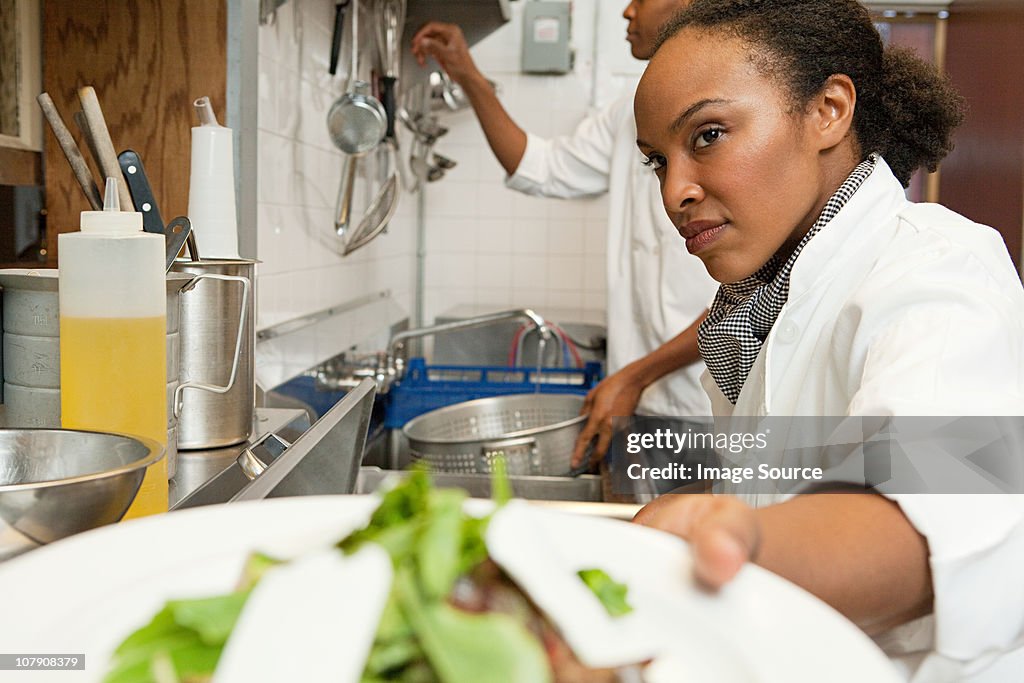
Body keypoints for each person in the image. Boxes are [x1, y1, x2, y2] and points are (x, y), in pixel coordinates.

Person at [630, 0, 1024, 679]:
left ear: (828, 110)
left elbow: (922, 526)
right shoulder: (763, 303)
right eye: (655, 162)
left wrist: (724, 539)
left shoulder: (937, 266)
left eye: (707, 135)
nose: (674, 192)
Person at [410, 2, 719, 479]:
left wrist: (635, 376)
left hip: (711, 410)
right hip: (636, 405)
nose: (626, 11)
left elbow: (753, 295)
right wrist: (466, 73)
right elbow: (540, 167)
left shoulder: (732, 112)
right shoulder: (625, 113)